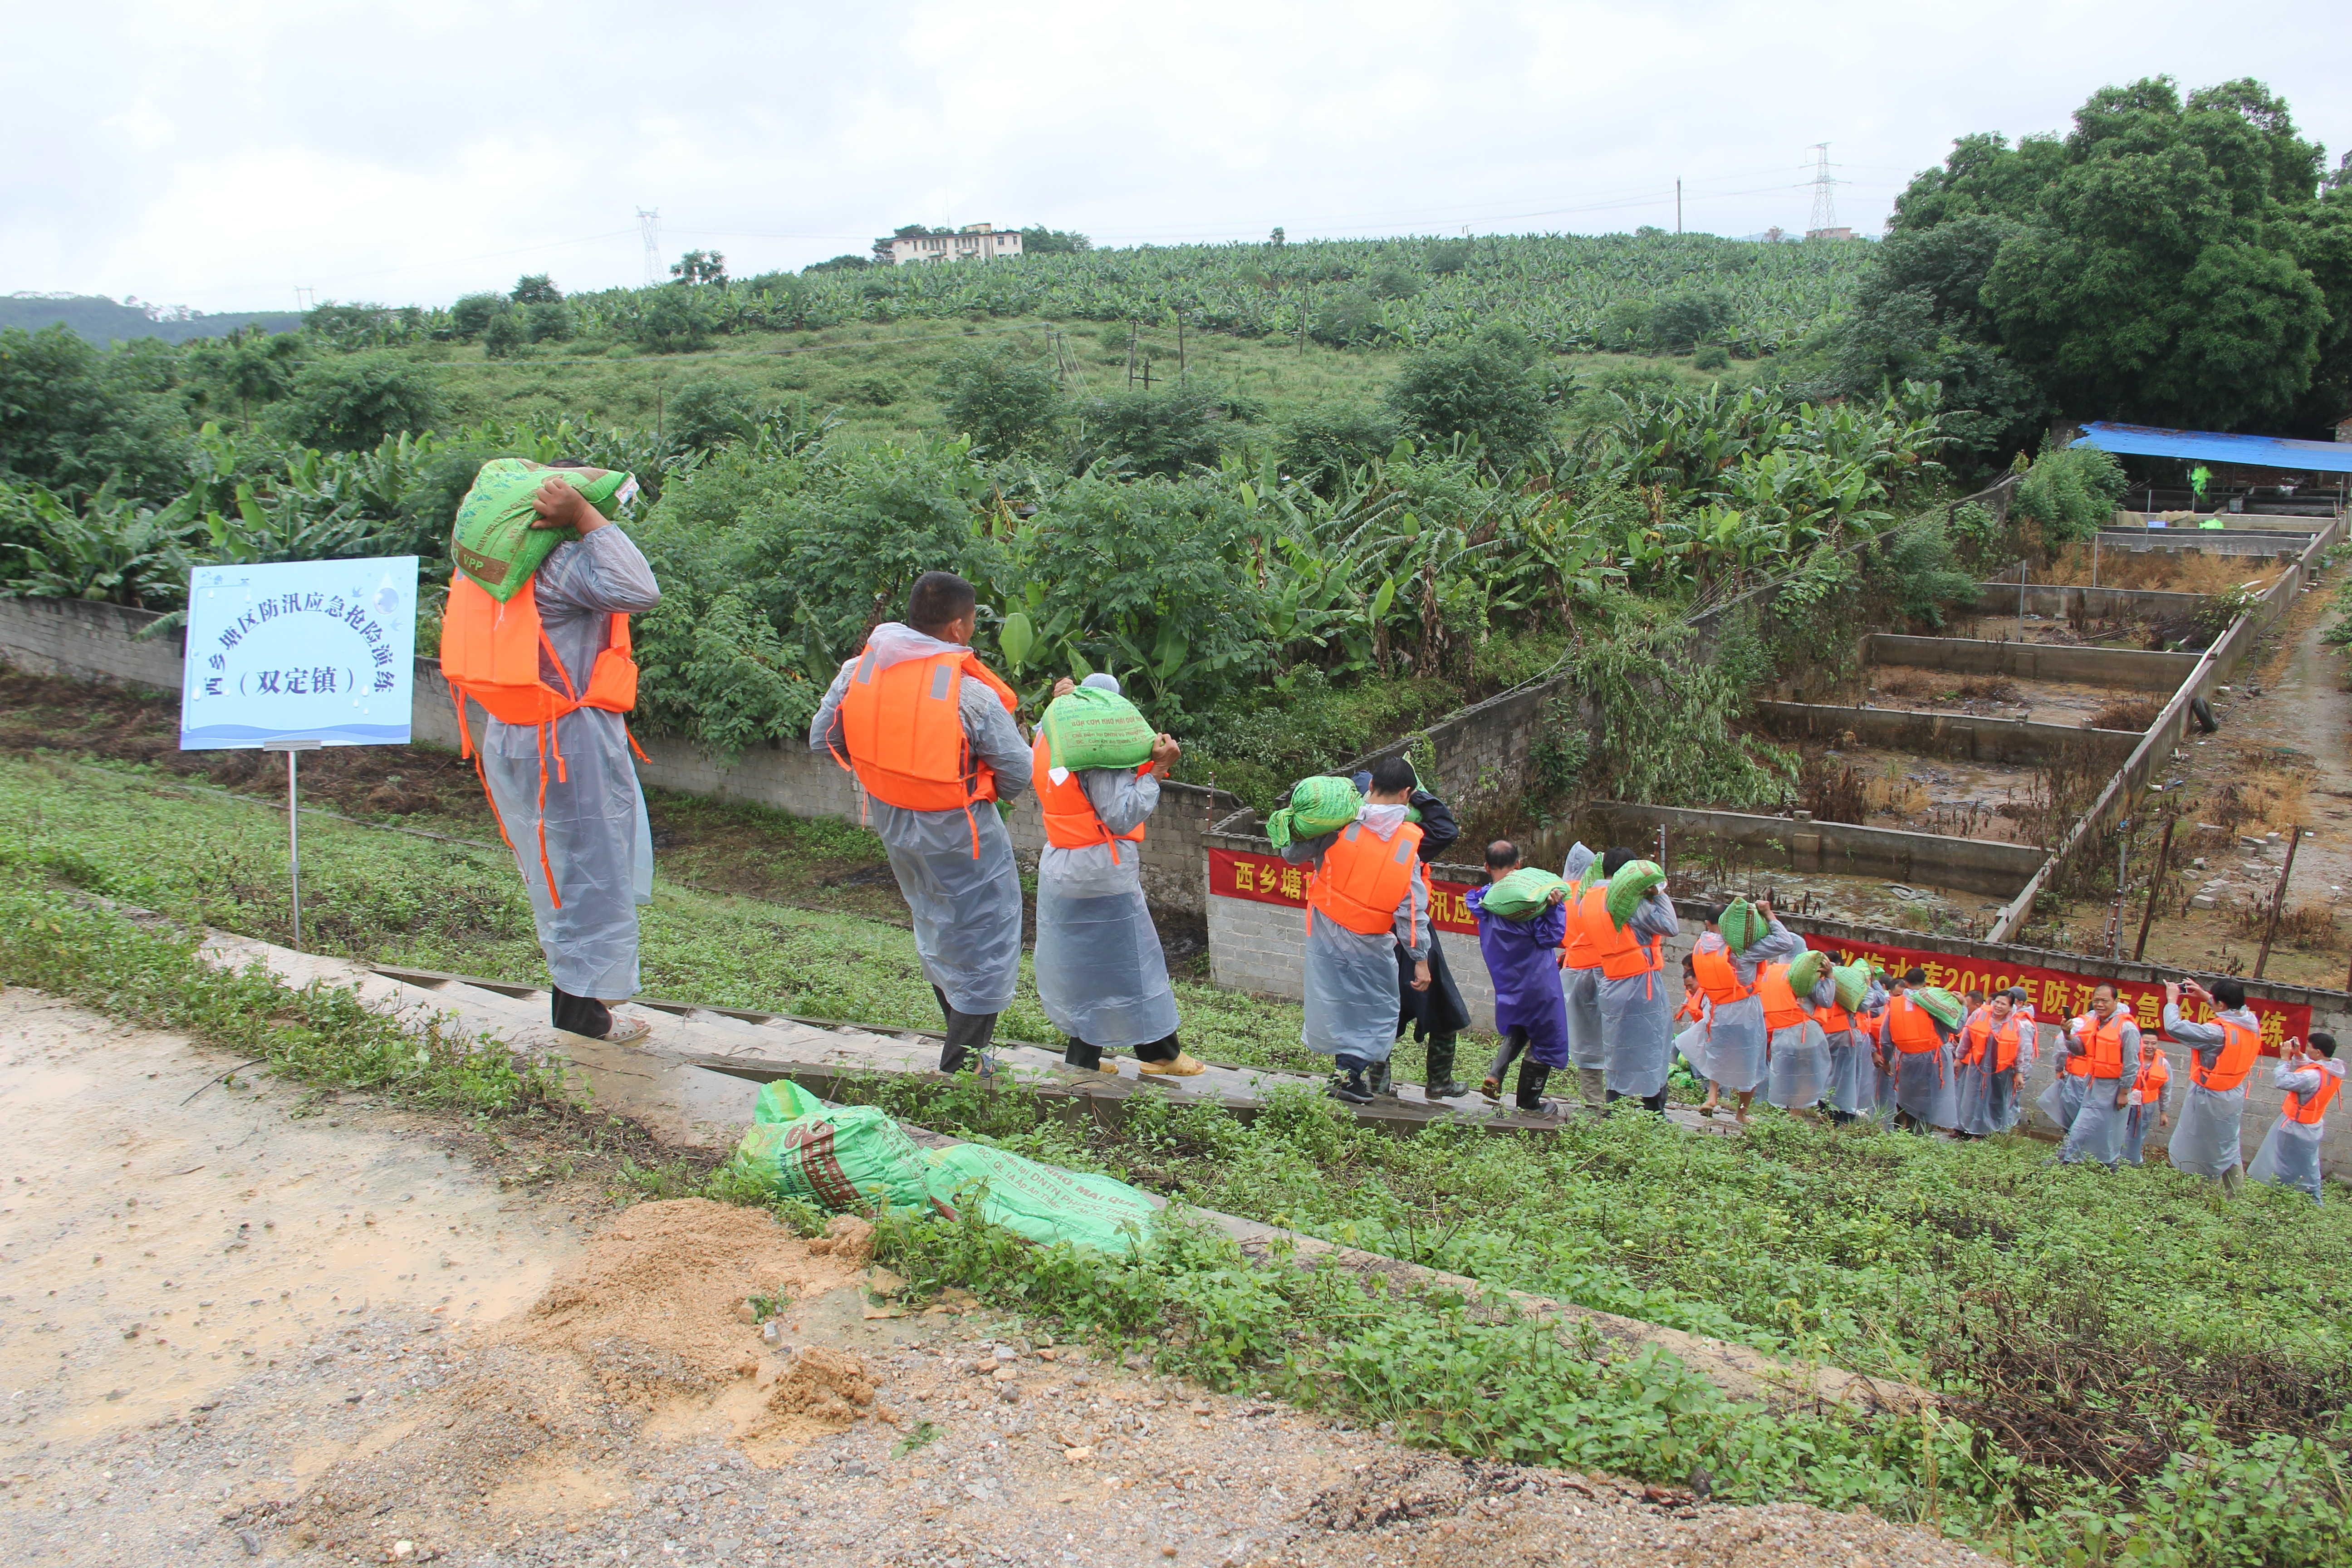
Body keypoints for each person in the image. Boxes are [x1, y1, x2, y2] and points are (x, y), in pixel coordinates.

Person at [447, 463, 662, 1045]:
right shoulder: (557, 566)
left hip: (514, 730)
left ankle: (579, 1006)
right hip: (567, 739)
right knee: (587, 872)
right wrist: (586, 516)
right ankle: (583, 1018)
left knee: (557, 870)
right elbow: (640, 589)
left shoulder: (487, 575)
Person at [812, 572, 1029, 1073]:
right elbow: (1018, 771)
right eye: (972, 622)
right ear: (956, 627)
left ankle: (963, 1050)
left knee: (933, 920)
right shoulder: (970, 693)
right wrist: (980, 792)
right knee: (986, 937)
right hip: (961, 830)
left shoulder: (857, 671)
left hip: (893, 822)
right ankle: (963, 1062)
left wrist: (886, 771)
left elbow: (823, 739)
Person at [1030, 674, 1201, 1078]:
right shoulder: (1102, 751)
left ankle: (1083, 1058)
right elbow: (1121, 814)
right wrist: (1157, 770)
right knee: (1133, 964)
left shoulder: (1050, 738)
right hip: (1101, 869)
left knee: (1089, 967)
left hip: (1061, 865)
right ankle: (1163, 1054)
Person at [1281, 754, 1431, 1105]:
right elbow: (1412, 907)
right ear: (1406, 794)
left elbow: (1291, 854)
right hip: (1370, 938)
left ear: (1372, 786)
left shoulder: (1339, 821)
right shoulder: (1408, 842)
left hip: (1326, 929)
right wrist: (1420, 958)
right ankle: (1348, 1076)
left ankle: (1345, 1075)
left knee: (1336, 1002)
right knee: (1377, 1009)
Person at [1351, 767, 1470, 1099]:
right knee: (1443, 1004)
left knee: (1378, 1009)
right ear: (1402, 795)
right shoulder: (1408, 838)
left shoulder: (1348, 832)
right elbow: (1446, 830)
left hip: (1367, 932)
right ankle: (1439, 1082)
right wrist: (1417, 792)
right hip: (1411, 932)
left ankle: (1380, 1086)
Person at [1465, 839, 1573, 1116]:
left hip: (1506, 981)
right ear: (1519, 865)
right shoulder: (1529, 904)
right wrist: (1553, 908)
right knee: (1547, 1036)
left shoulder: (1486, 901)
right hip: (1538, 978)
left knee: (1521, 1026)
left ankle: (1496, 1073)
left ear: (1487, 867)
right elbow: (1551, 937)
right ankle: (1530, 1103)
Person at [1688, 902, 1803, 1124]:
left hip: (1717, 1009)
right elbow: (1785, 942)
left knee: (1717, 1053)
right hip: (1745, 1008)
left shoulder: (1703, 945)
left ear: (1707, 924)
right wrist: (1768, 915)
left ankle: (1712, 1096)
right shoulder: (1745, 949)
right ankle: (1741, 1114)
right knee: (1750, 1063)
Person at [1588, 848, 1681, 1112]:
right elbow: (1671, 928)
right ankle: (1653, 1109)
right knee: (1652, 1045)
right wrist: (1658, 892)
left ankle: (1615, 1107)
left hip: (1609, 980)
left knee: (1618, 1048)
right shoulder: (1630, 903)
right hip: (1640, 984)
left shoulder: (1591, 898)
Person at [2160, 977, 2264, 1191]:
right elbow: (2229, 1011)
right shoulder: (2250, 1022)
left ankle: (2205, 1193)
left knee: (2208, 1147)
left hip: (2211, 1097)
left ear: (2222, 1005)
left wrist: (2172, 1000)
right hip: (2233, 1093)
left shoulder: (2217, 1034)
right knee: (2229, 1145)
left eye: (2215, 1001)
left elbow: (2174, 1028)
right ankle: (2233, 1194)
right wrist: (2206, 996)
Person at [2247, 1034, 2341, 1203]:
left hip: (2295, 1126)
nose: (2307, 1049)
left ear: (2318, 1052)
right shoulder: (2332, 1069)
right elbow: (2310, 1069)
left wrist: (2284, 1059)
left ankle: (2285, 1195)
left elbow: (2283, 1081)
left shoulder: (2312, 1076)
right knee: (2306, 1164)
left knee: (2279, 1162)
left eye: (2310, 1047)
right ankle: (2304, 1197)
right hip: (2312, 1125)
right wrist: (2298, 1055)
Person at [1556, 844, 1608, 1106]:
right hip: (1606, 972)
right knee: (1607, 1036)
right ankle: (1617, 1100)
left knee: (1585, 1039)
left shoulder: (1561, 894)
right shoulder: (1599, 893)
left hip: (1574, 973)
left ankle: (1593, 1099)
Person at [1878, 968, 1960, 1132]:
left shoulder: (1896, 1004)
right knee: (1929, 1101)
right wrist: (1963, 1007)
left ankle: (1901, 1134)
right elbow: (1955, 1027)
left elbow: (1886, 1039)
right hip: (1935, 1060)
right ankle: (1921, 1136)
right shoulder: (1933, 1002)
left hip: (1908, 1059)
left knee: (1906, 1099)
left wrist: (1887, 1060)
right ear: (1925, 983)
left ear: (1905, 983)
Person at [1757, 954, 1835, 1112]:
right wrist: (1830, 977)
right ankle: (1796, 1116)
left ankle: (1780, 1114)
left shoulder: (1770, 973)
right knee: (1804, 1078)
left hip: (1779, 1033)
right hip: (1805, 1033)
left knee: (1783, 1076)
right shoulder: (1803, 976)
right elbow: (1826, 1001)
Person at [1954, 991, 2027, 1138]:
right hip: (1977, 1067)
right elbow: (1966, 1038)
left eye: (2003, 1004)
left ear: (2011, 1007)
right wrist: (1959, 1059)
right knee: (1972, 1098)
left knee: (1996, 1101)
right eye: (1997, 1002)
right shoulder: (1979, 1015)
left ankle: (1990, 1134)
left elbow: (2020, 1050)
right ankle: (1970, 1131)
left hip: (2001, 1071)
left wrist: (2019, 1073)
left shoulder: (2016, 1024)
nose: (1999, 1006)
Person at [1819, 965, 1886, 1125]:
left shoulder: (1830, 984)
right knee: (1845, 1078)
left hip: (1827, 1032)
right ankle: (1840, 1113)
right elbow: (1875, 1001)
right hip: (1846, 1035)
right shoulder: (1858, 991)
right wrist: (1871, 984)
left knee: (1830, 1074)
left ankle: (1826, 1109)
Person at [2122, 1029, 2173, 1166]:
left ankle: (2133, 1162)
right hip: (2125, 1102)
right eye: (2146, 1043)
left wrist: (2164, 1112)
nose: (2150, 1047)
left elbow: (2166, 1090)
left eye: (2154, 1044)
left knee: (2138, 1134)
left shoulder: (2163, 1064)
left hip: (2147, 1106)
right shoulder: (2130, 1058)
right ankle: (2115, 1160)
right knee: (2120, 1131)